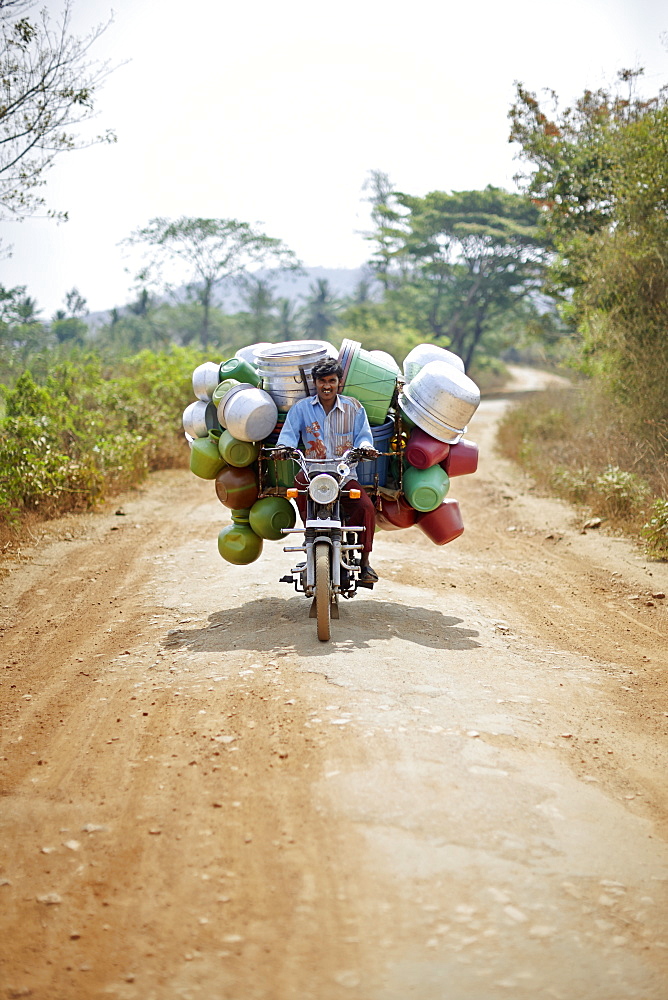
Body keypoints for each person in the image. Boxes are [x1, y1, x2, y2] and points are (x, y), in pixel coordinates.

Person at [274, 358, 379, 583]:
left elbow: (363, 437)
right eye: (322, 381)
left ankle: (365, 562)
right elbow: (289, 435)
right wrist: (284, 448)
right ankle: (309, 537)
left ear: (339, 383)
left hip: (343, 476)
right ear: (315, 383)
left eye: (332, 380)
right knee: (298, 485)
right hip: (312, 473)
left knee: (366, 507)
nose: (327, 386)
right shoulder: (301, 409)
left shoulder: (354, 407)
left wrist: (366, 449)